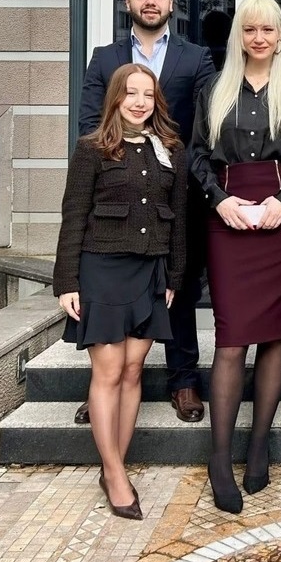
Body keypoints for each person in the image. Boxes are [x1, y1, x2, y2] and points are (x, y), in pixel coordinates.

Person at [189, 0, 281, 514]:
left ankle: (259, 445)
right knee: (231, 339)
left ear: (280, 37)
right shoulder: (214, 90)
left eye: (268, 30)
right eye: (250, 29)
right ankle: (220, 458)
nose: (259, 38)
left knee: (273, 336)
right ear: (238, 36)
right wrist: (220, 202)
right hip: (228, 216)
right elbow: (196, 157)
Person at [75, 0, 216, 426]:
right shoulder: (105, 58)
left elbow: (206, 124)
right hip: (117, 191)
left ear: (171, 3)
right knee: (109, 299)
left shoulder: (196, 57)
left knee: (179, 285)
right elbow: (89, 122)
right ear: (128, 2)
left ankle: (184, 379)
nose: (150, 1)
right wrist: (118, 165)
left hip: (173, 190)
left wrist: (174, 168)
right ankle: (105, 385)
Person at [53, 63, 187, 520]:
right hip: (102, 269)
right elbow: (74, 214)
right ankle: (114, 475)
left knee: (133, 371)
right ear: (115, 98)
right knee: (108, 371)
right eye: (130, 93)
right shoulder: (91, 149)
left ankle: (116, 465)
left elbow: (179, 219)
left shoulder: (170, 150)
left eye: (147, 94)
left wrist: (174, 276)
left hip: (150, 271)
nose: (139, 102)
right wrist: (67, 281)